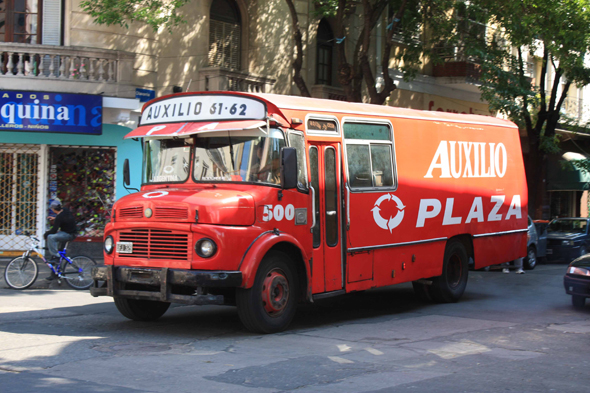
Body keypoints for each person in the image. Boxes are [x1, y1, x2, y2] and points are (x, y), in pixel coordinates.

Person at [43, 199, 77, 280]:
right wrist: (55, 218)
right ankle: (54, 273)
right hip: (70, 232)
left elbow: (54, 230)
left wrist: (46, 234)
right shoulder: (64, 210)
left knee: (51, 237)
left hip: (68, 234)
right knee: (57, 251)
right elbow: (64, 217)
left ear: (54, 209)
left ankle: (56, 256)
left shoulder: (59, 217)